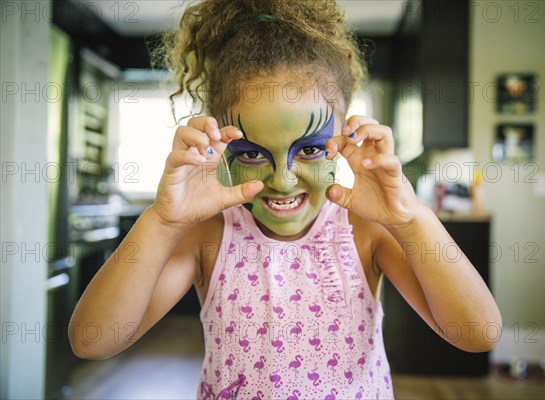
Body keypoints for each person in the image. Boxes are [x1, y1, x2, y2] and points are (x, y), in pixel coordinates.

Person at [69, 0, 502, 398]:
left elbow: (478, 332)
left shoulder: (365, 231)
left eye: (311, 149)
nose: (283, 178)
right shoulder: (211, 235)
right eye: (253, 153)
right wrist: (162, 221)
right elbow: (92, 340)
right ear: (222, 144)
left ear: (344, 136)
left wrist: (410, 218)